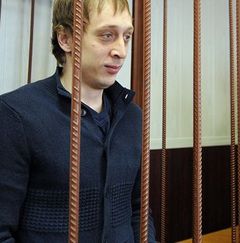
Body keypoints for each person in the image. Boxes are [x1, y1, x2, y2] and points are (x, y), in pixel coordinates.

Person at [0, 0, 156, 242]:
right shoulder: (16, 114)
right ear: (66, 39)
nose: (121, 51)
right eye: (107, 35)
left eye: (126, 36)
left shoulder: (133, 118)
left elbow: (138, 210)